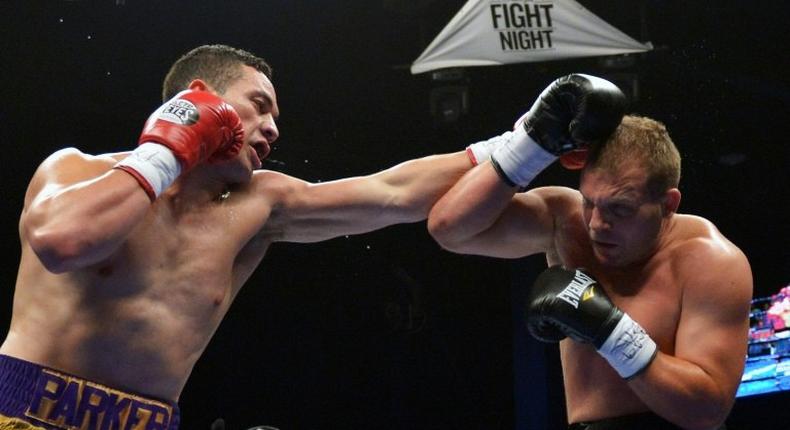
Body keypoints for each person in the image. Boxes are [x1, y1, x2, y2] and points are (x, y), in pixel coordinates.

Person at [0, 44, 489, 430]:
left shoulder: (258, 204)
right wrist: (172, 146)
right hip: (22, 414)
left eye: (275, 119)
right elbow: (62, 242)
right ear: (200, 96)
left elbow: (392, 192)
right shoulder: (75, 168)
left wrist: (524, 141)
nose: (272, 129)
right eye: (259, 107)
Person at [428, 75, 753, 429]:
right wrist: (528, 149)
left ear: (667, 204)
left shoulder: (710, 261)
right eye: (589, 202)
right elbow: (450, 230)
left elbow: (707, 411)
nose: (597, 223)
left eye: (620, 209)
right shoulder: (565, 222)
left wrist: (610, 332)